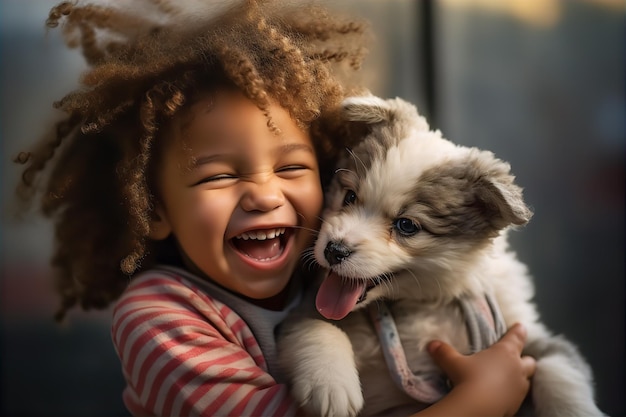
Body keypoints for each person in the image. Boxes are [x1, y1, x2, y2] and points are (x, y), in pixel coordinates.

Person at [15, 1, 535, 416]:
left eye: (290, 169)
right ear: (153, 211)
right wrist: (477, 404)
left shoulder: (330, 271)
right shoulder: (159, 320)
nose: (265, 195)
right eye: (219, 175)